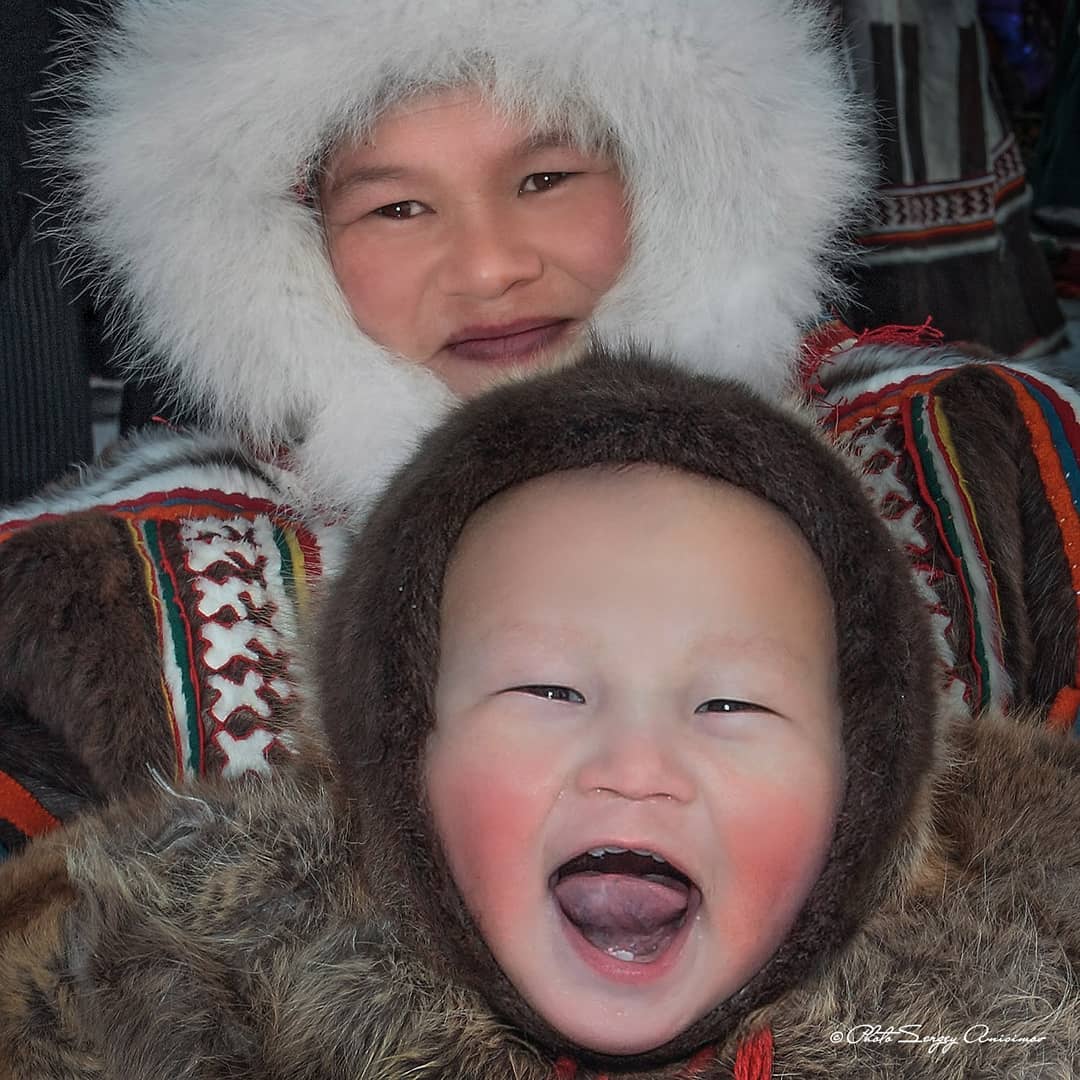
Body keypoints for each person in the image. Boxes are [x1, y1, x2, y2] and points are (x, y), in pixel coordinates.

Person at [2, 0, 1080, 857]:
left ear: (673, 178)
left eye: (547, 178)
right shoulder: (105, 597)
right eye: (397, 207)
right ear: (284, 248)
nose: (490, 267)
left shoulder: (981, 468)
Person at [2, 353, 1076, 1077]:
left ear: (865, 787)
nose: (636, 762)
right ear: (401, 751)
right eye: (551, 691)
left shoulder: (997, 1017)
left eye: (732, 701)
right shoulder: (170, 1000)